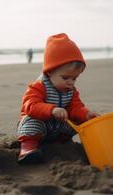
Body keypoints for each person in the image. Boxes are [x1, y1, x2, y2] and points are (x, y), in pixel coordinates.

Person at [17, 33, 98, 164]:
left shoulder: (71, 91)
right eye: (65, 78)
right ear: (49, 72)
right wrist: (52, 110)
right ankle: (28, 149)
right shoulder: (39, 86)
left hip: (57, 127)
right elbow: (30, 106)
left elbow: (75, 107)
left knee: (78, 121)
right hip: (41, 124)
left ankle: (61, 141)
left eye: (74, 78)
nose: (71, 82)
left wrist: (86, 114)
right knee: (31, 121)